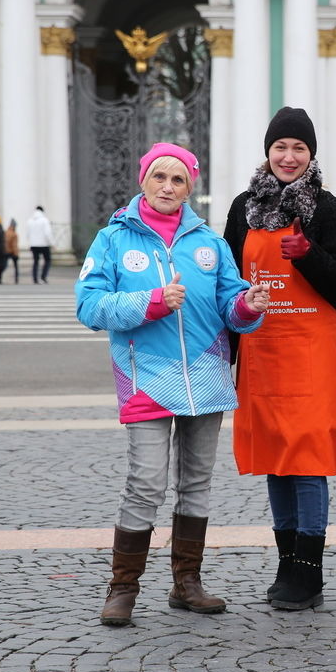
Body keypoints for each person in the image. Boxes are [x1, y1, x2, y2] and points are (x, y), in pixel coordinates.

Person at [76, 142, 270, 628]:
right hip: (146, 380)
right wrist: (152, 302)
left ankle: (187, 584)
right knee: (145, 483)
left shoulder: (210, 242)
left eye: (178, 180)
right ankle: (123, 589)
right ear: (143, 180)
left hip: (205, 377)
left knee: (197, 484)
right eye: (159, 176)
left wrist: (249, 305)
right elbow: (89, 306)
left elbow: (231, 304)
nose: (168, 187)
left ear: (190, 187)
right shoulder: (113, 239)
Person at [223, 107, 336, 612]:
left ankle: (309, 570)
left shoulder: (325, 207)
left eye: (298, 148)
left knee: (307, 460)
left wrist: (307, 255)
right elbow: (230, 286)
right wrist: (228, 352)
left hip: (310, 351)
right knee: (275, 460)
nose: (288, 156)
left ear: (311, 154)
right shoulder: (243, 207)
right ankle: (285, 562)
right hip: (261, 349)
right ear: (268, 152)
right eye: (281, 147)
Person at [27, 205, 54, 284]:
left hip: (33, 245)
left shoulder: (30, 221)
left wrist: (30, 242)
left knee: (35, 261)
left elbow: (28, 234)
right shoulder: (44, 220)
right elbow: (47, 233)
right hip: (44, 244)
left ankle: (35, 278)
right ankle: (43, 276)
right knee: (47, 260)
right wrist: (52, 243)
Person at [4, 218, 20, 284]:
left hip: (5, 251)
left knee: (4, 265)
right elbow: (14, 245)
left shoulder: (5, 232)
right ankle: (16, 278)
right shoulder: (14, 234)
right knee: (16, 266)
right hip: (12, 252)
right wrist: (16, 254)